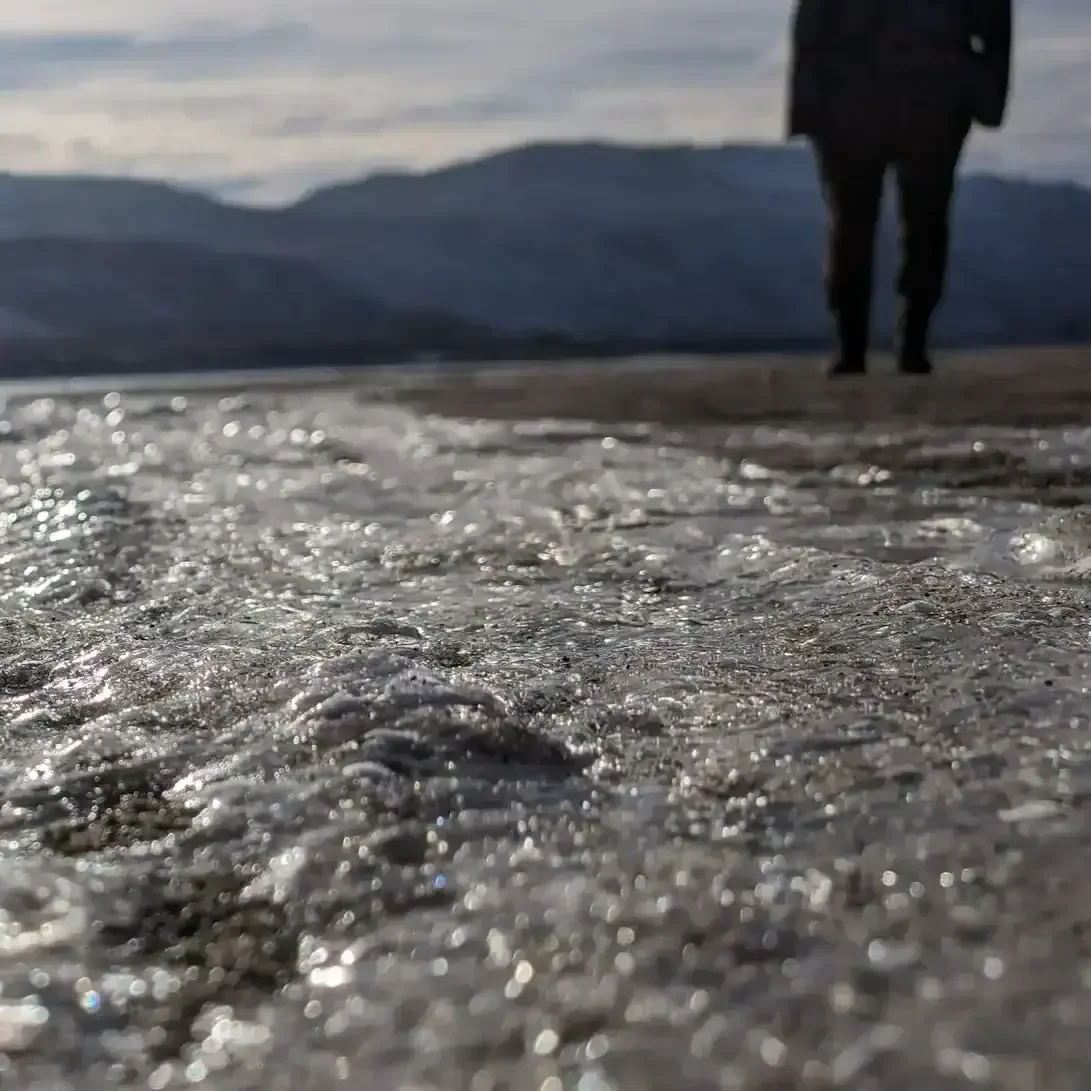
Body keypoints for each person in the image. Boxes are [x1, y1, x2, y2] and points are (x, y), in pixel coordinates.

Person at [788, 0, 1013, 376]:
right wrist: (807, 105)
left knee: (923, 223)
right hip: (855, 97)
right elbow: (811, 25)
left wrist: (987, 95)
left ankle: (911, 344)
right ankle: (854, 347)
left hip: (930, 95)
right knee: (854, 227)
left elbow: (995, 25)